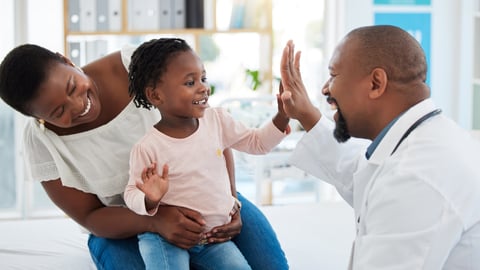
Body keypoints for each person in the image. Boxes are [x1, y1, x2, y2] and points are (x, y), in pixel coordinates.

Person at [0, 43, 289, 269]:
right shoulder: (42, 142)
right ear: (37, 118)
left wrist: (230, 202)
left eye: (73, 87)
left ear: (67, 61)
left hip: (206, 196)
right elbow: (90, 216)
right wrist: (155, 221)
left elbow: (209, 127)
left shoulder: (136, 65)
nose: (78, 105)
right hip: (125, 226)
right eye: (58, 112)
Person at [279, 25, 480, 269]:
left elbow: (390, 180)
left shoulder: (415, 177)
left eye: (333, 75)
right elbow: (362, 171)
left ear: (376, 83)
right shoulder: (428, 140)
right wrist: (306, 114)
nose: (325, 89)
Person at [124, 37, 290, 269]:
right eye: (190, 83)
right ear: (156, 96)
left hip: (212, 239)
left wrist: (282, 116)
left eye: (203, 78)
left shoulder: (217, 120)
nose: (203, 87)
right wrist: (150, 198)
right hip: (164, 239)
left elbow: (257, 143)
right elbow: (131, 193)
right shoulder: (148, 147)